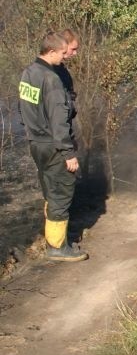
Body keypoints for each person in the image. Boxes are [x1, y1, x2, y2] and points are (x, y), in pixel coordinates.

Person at [18, 31, 88, 261]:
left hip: (36, 142)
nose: (65, 57)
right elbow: (59, 119)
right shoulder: (51, 79)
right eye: (62, 53)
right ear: (51, 51)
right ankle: (57, 247)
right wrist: (68, 152)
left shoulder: (28, 73)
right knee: (60, 192)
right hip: (55, 145)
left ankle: (54, 240)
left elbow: (26, 110)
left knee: (50, 190)